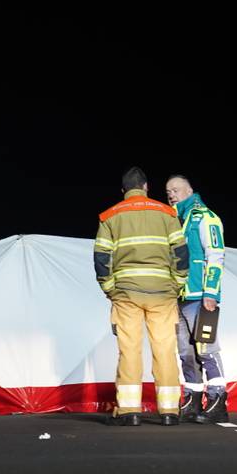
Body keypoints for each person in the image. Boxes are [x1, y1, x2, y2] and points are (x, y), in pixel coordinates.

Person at [93, 166, 188, 426]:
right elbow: (181, 253)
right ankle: (169, 411)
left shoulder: (110, 216)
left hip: (126, 294)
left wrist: (109, 287)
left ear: (124, 190)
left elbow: (102, 257)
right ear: (146, 187)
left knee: (129, 350)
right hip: (162, 294)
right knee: (165, 350)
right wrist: (176, 285)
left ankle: (129, 411)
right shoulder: (167, 214)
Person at [165, 175, 229, 423]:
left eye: (176, 190)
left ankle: (217, 400)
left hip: (200, 296)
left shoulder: (206, 217)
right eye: (168, 190)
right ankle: (192, 399)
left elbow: (216, 254)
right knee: (185, 352)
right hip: (178, 297)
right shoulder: (173, 220)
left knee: (206, 348)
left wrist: (210, 293)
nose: (171, 194)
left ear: (190, 190)